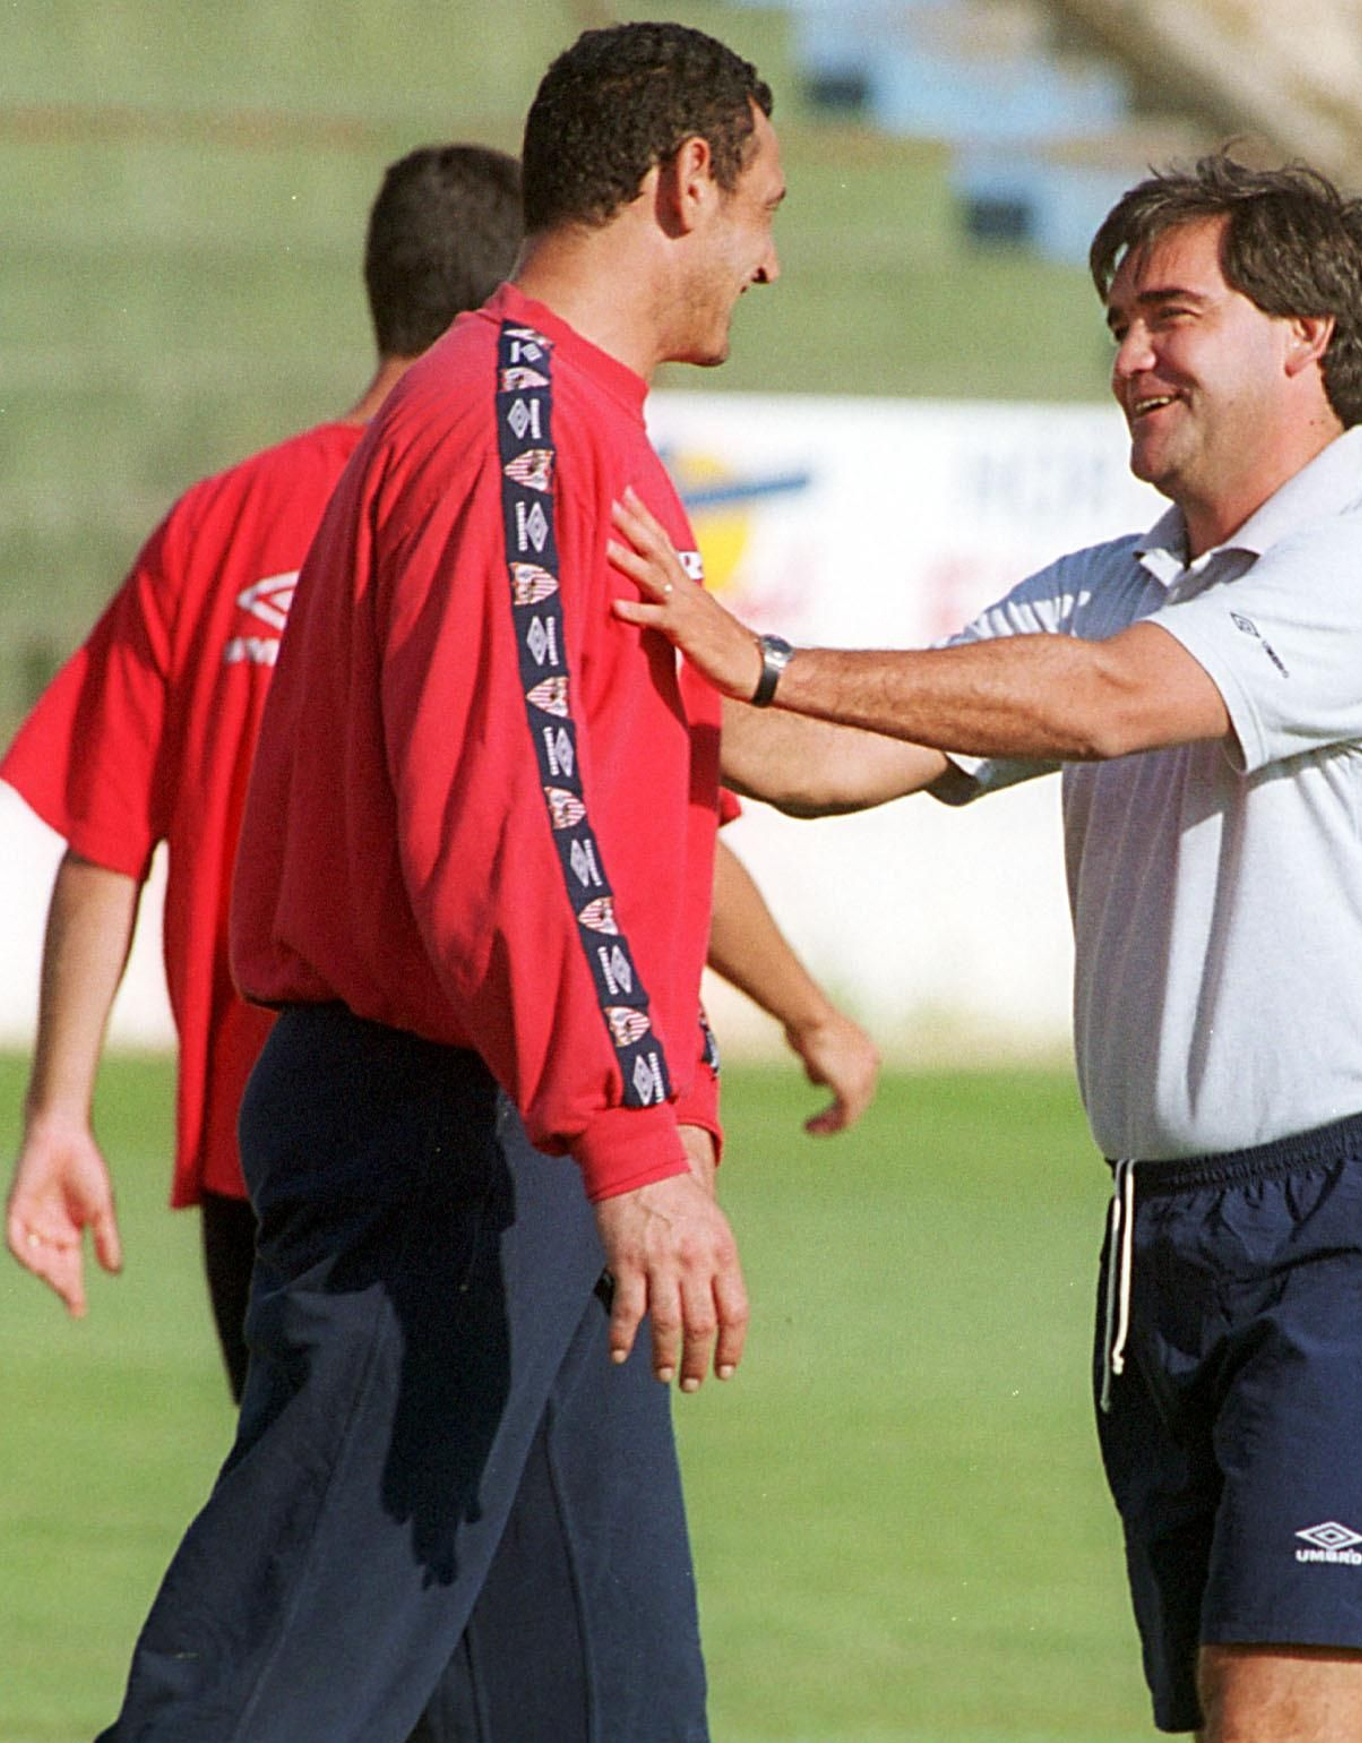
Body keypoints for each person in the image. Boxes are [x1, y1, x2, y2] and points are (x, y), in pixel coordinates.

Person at [608, 154, 1362, 1743]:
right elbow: (818, 763)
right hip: (1163, 1231)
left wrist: (754, 653)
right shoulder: (1115, 583)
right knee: (1218, 1710)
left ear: (1308, 333)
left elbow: (1103, 701)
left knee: (1280, 1719)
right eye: (1117, 321)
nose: (1128, 357)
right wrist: (600, 636)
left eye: (1171, 312)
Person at [87, 22, 785, 1741]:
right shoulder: (517, 419)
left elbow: (640, 793)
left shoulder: (559, 420)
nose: (772, 252)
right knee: (272, 1692)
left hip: (519, 1142)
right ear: (684, 180)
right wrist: (635, 1133)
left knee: (608, 1706)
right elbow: (516, 821)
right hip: (446, 1138)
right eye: (765, 203)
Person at [4, 149, 876, 1400]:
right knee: (351, 1559)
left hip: (267, 1120)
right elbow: (599, 821)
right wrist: (805, 1011)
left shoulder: (217, 522)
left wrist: (58, 1115)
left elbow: (103, 838)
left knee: (405, 1549)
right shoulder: (519, 480)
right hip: (476, 1097)